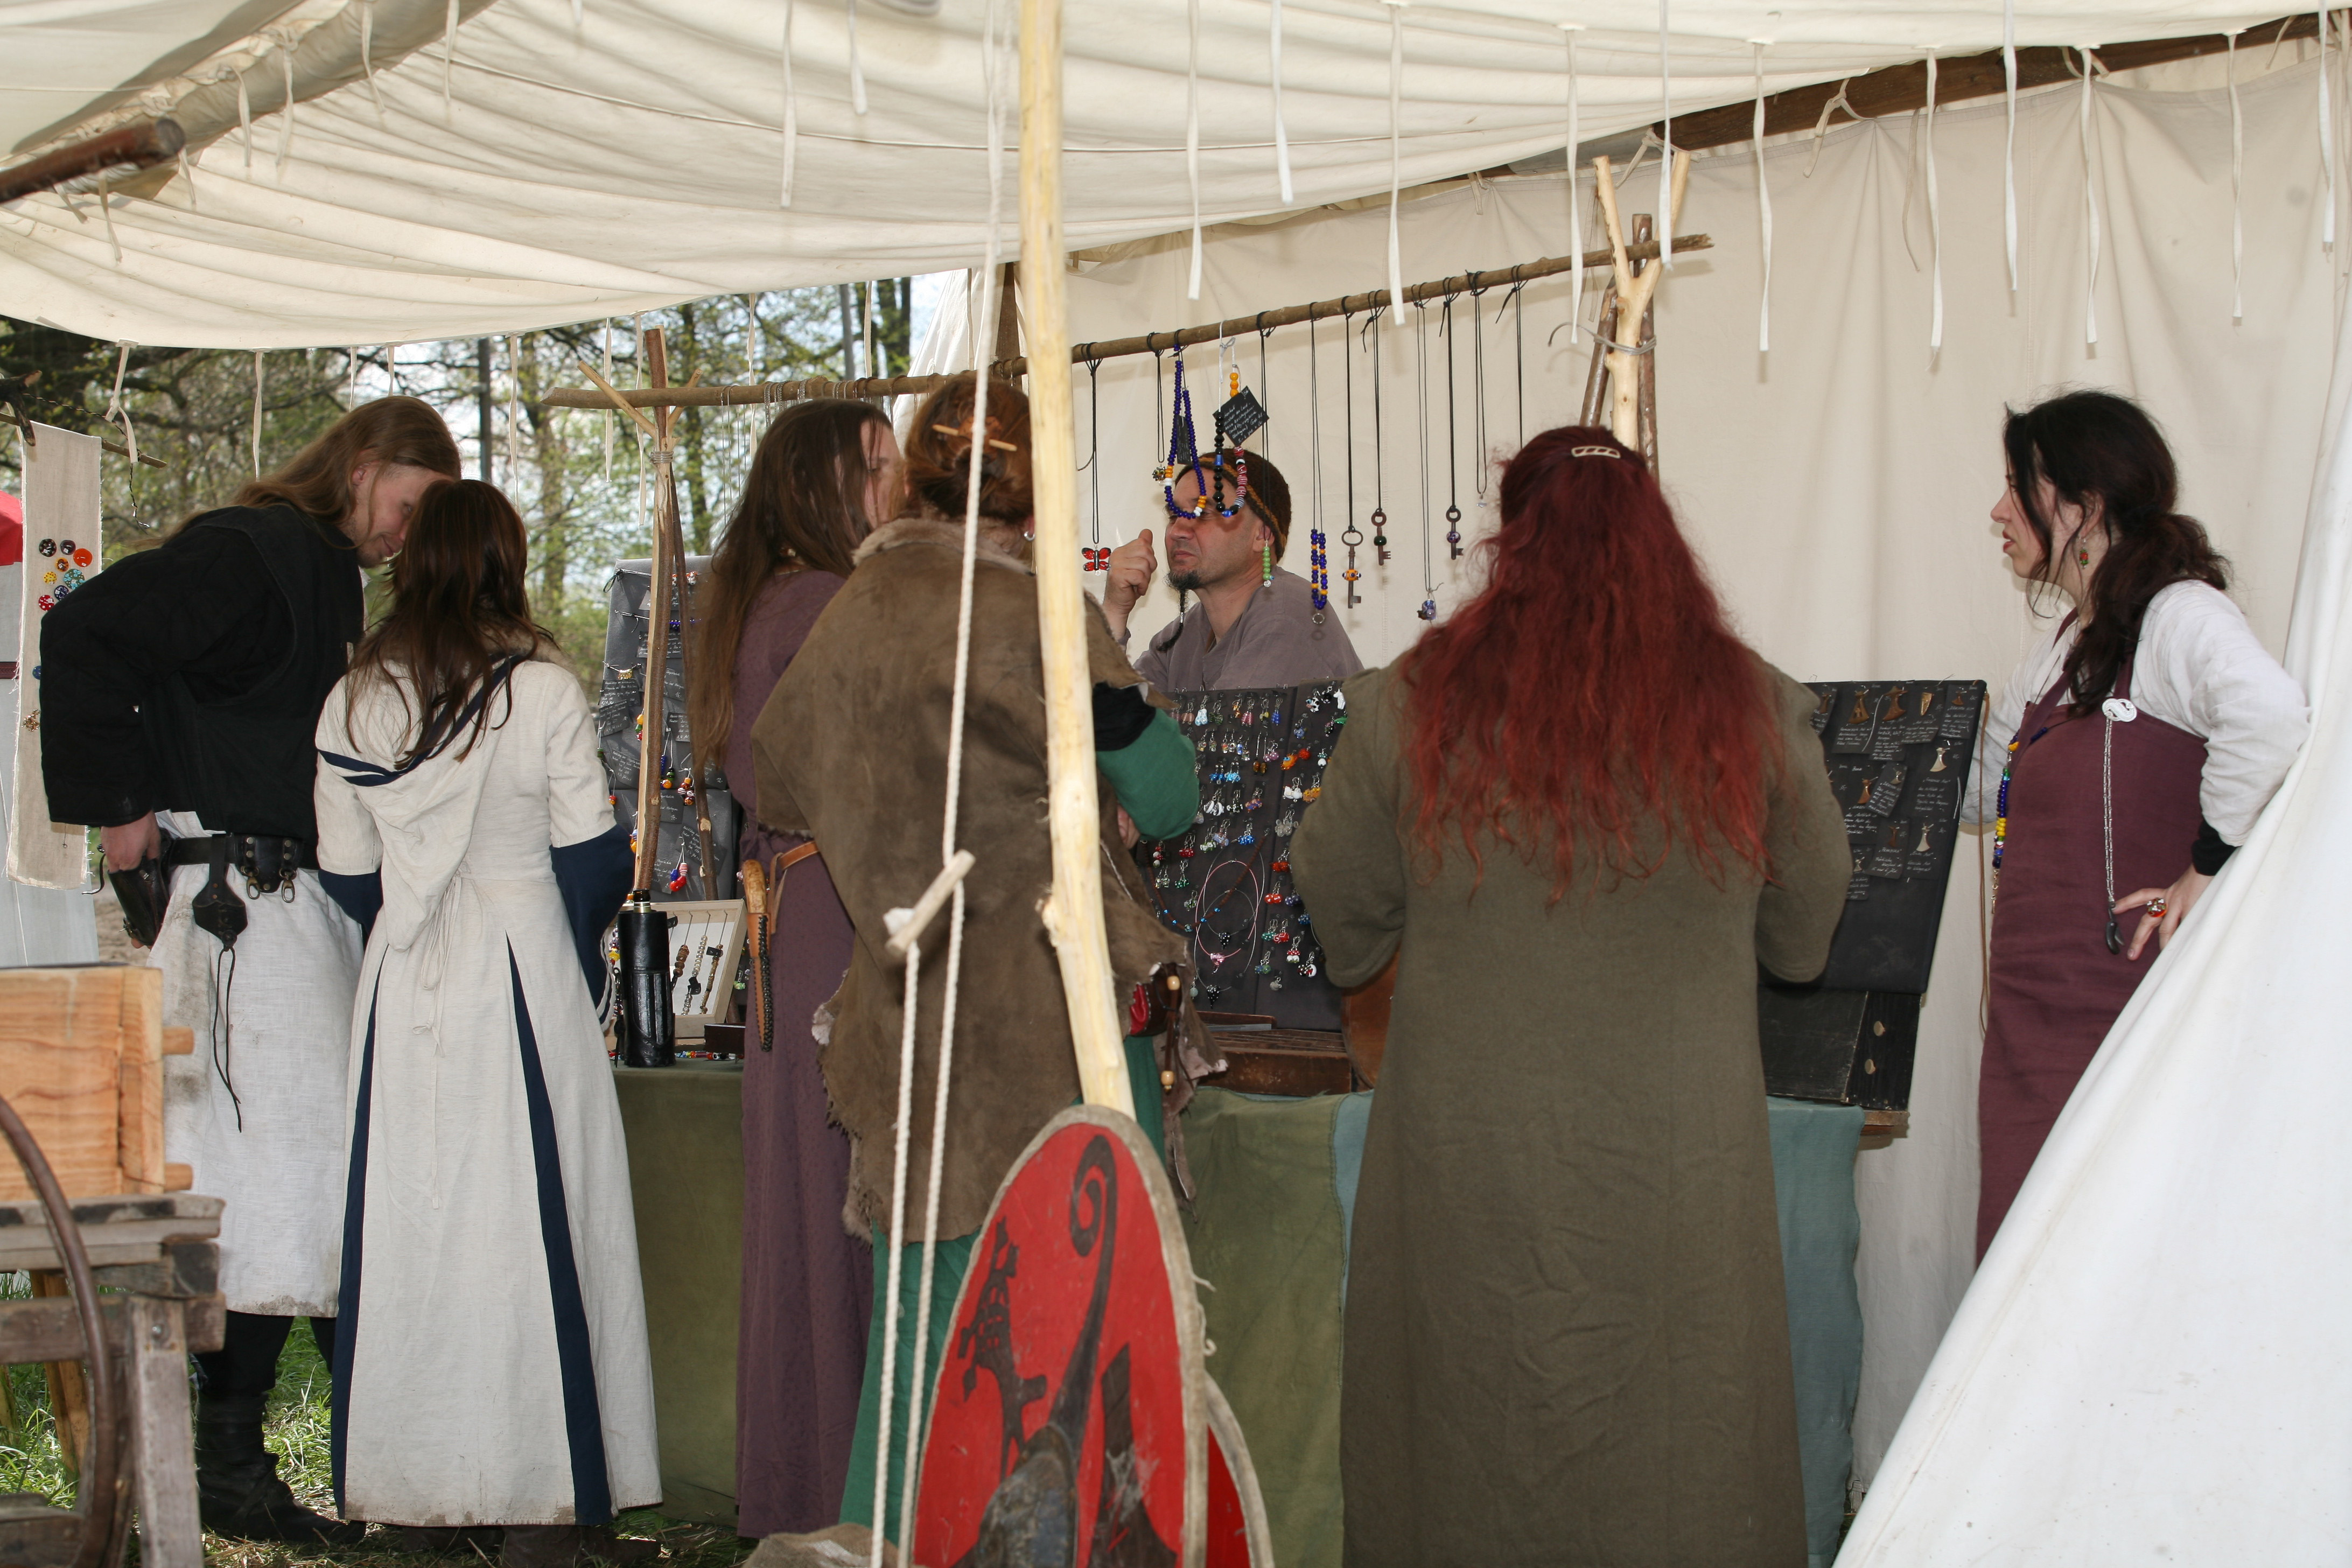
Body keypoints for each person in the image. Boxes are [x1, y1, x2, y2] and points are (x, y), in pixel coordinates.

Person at [1290, 426, 1850, 1568]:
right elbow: (1803, 941)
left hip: (1468, 1166)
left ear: (1512, 537)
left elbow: (1342, 914)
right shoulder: (1751, 708)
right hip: (1679, 1176)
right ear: (1660, 539)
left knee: (1458, 1452)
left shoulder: (1410, 702)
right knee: (1683, 1453)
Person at [751, 372, 1198, 1557]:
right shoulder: (1032, 616)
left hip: (908, 1016)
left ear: (919, 476)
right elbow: (1169, 791)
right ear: (1033, 487)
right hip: (1046, 1022)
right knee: (1075, 1321)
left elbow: (778, 777)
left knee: (919, 1339)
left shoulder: (854, 611)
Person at [39, 396, 459, 1544]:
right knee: (280, 1188)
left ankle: (377, 1463)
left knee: (311, 1188)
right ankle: (234, 1462)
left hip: (291, 908)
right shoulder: (254, 550)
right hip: (241, 915)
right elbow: (89, 632)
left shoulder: (320, 573)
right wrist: (121, 810)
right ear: (363, 466)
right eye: (409, 503)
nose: (407, 535)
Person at [314, 479, 658, 1567]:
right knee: (538, 1220)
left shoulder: (352, 699)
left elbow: (347, 874)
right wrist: (565, 949)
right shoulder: (542, 690)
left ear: (408, 564)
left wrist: (412, 924)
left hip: (405, 972)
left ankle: (421, 1494)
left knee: (413, 1229)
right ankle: (545, 1504)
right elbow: (595, 859)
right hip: (523, 962)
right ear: (504, 564)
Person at [1964, 389, 2306, 1256]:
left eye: (2017, 486)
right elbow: (1978, 794)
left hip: (2119, 1018)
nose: (1998, 511)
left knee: (2102, 1258)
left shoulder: (2178, 615)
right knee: (2021, 1261)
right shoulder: (2060, 649)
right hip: (2030, 1021)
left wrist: (2208, 867)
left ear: (2084, 506)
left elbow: (2270, 717)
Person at [685, 398, 900, 1536]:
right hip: (834, 912)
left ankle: (810, 1487)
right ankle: (839, 1495)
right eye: (878, 466)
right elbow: (876, 776)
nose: (897, 486)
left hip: (801, 910)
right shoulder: (819, 601)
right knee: (835, 1208)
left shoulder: (767, 598)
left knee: (807, 1212)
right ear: (824, 485)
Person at [1100, 446, 1361, 691]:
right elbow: (1107, 717)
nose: (1178, 531)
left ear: (1262, 535)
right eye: (1174, 515)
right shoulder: (1185, 634)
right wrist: (1114, 611)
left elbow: (1229, 726)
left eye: (1203, 513)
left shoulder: (1286, 612)